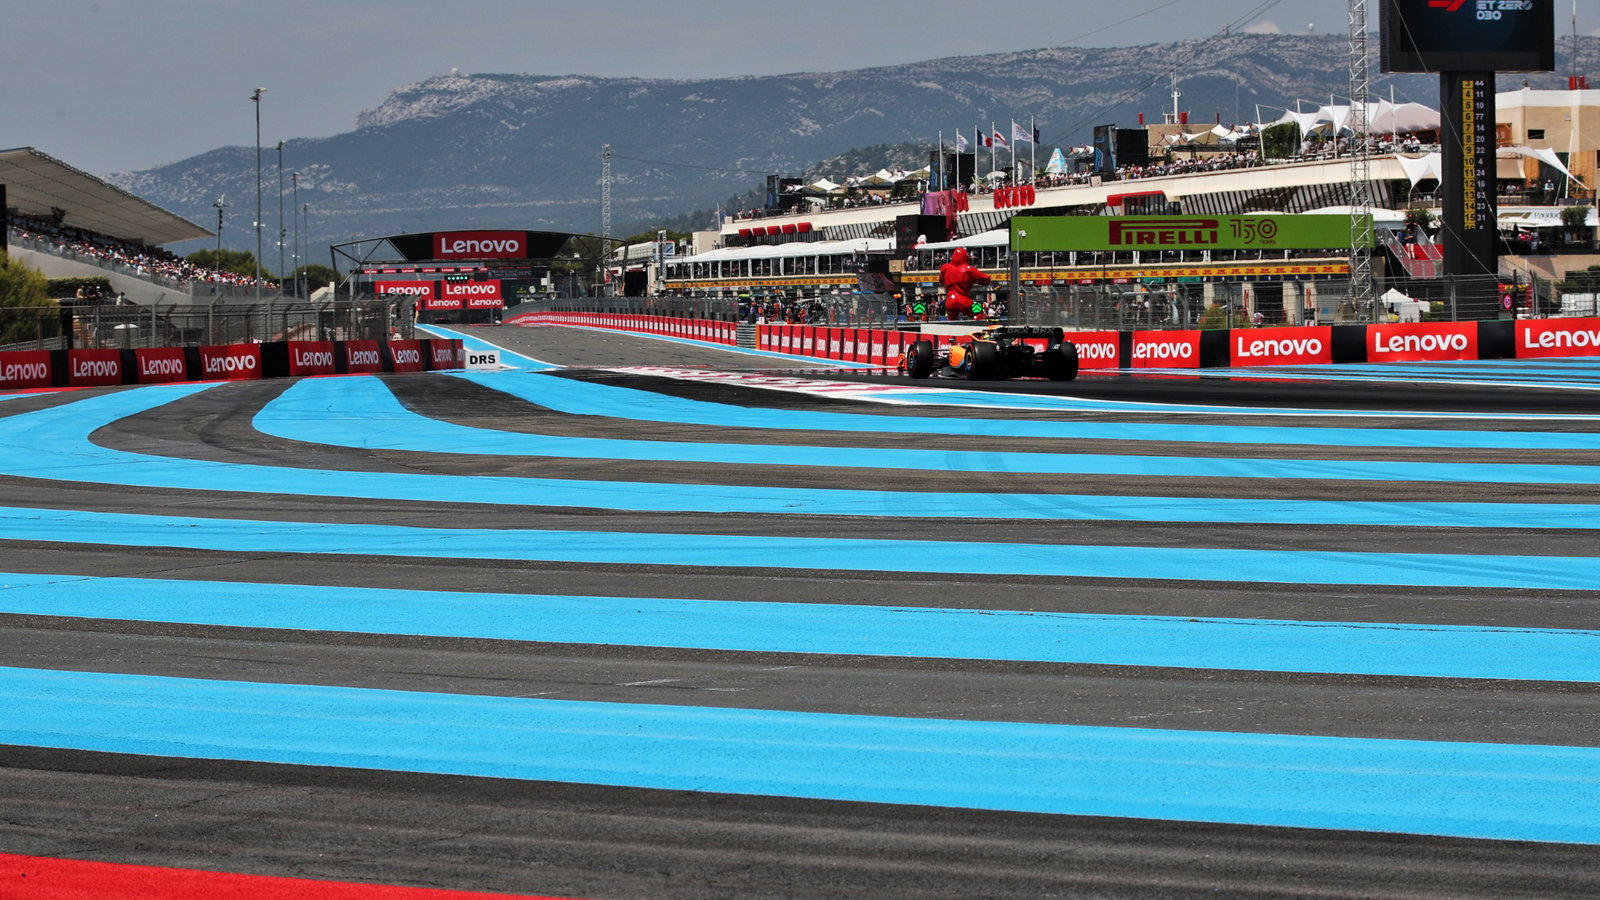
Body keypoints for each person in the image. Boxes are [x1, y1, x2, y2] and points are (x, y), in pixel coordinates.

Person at [940, 246, 991, 320]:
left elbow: (941, 281)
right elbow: (986, 279)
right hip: (963, 298)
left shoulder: (945, 268)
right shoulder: (968, 269)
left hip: (950, 299)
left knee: (951, 320)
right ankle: (977, 329)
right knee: (978, 313)